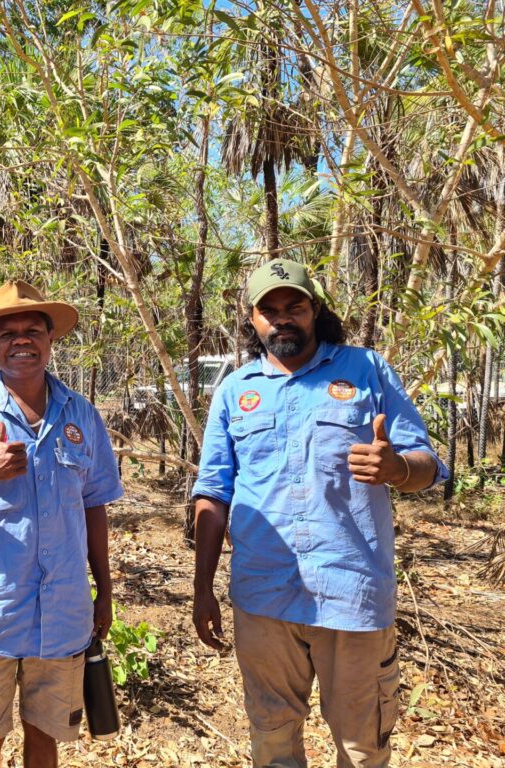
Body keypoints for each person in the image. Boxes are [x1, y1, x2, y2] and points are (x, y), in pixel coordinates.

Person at [191, 259, 447, 768]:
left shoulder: (367, 370)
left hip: (351, 595)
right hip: (262, 594)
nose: (282, 319)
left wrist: (396, 467)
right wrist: (202, 590)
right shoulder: (234, 392)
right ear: (252, 318)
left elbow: (430, 465)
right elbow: (212, 495)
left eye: (295, 306)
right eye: (269, 310)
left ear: (315, 311)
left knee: (362, 747)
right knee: (273, 740)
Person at [0, 280, 124, 768]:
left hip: (63, 612)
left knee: (46, 739)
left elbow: (95, 504)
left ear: (51, 339)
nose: (21, 340)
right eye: (7, 332)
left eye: (33, 329)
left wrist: (105, 588)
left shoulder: (82, 415)